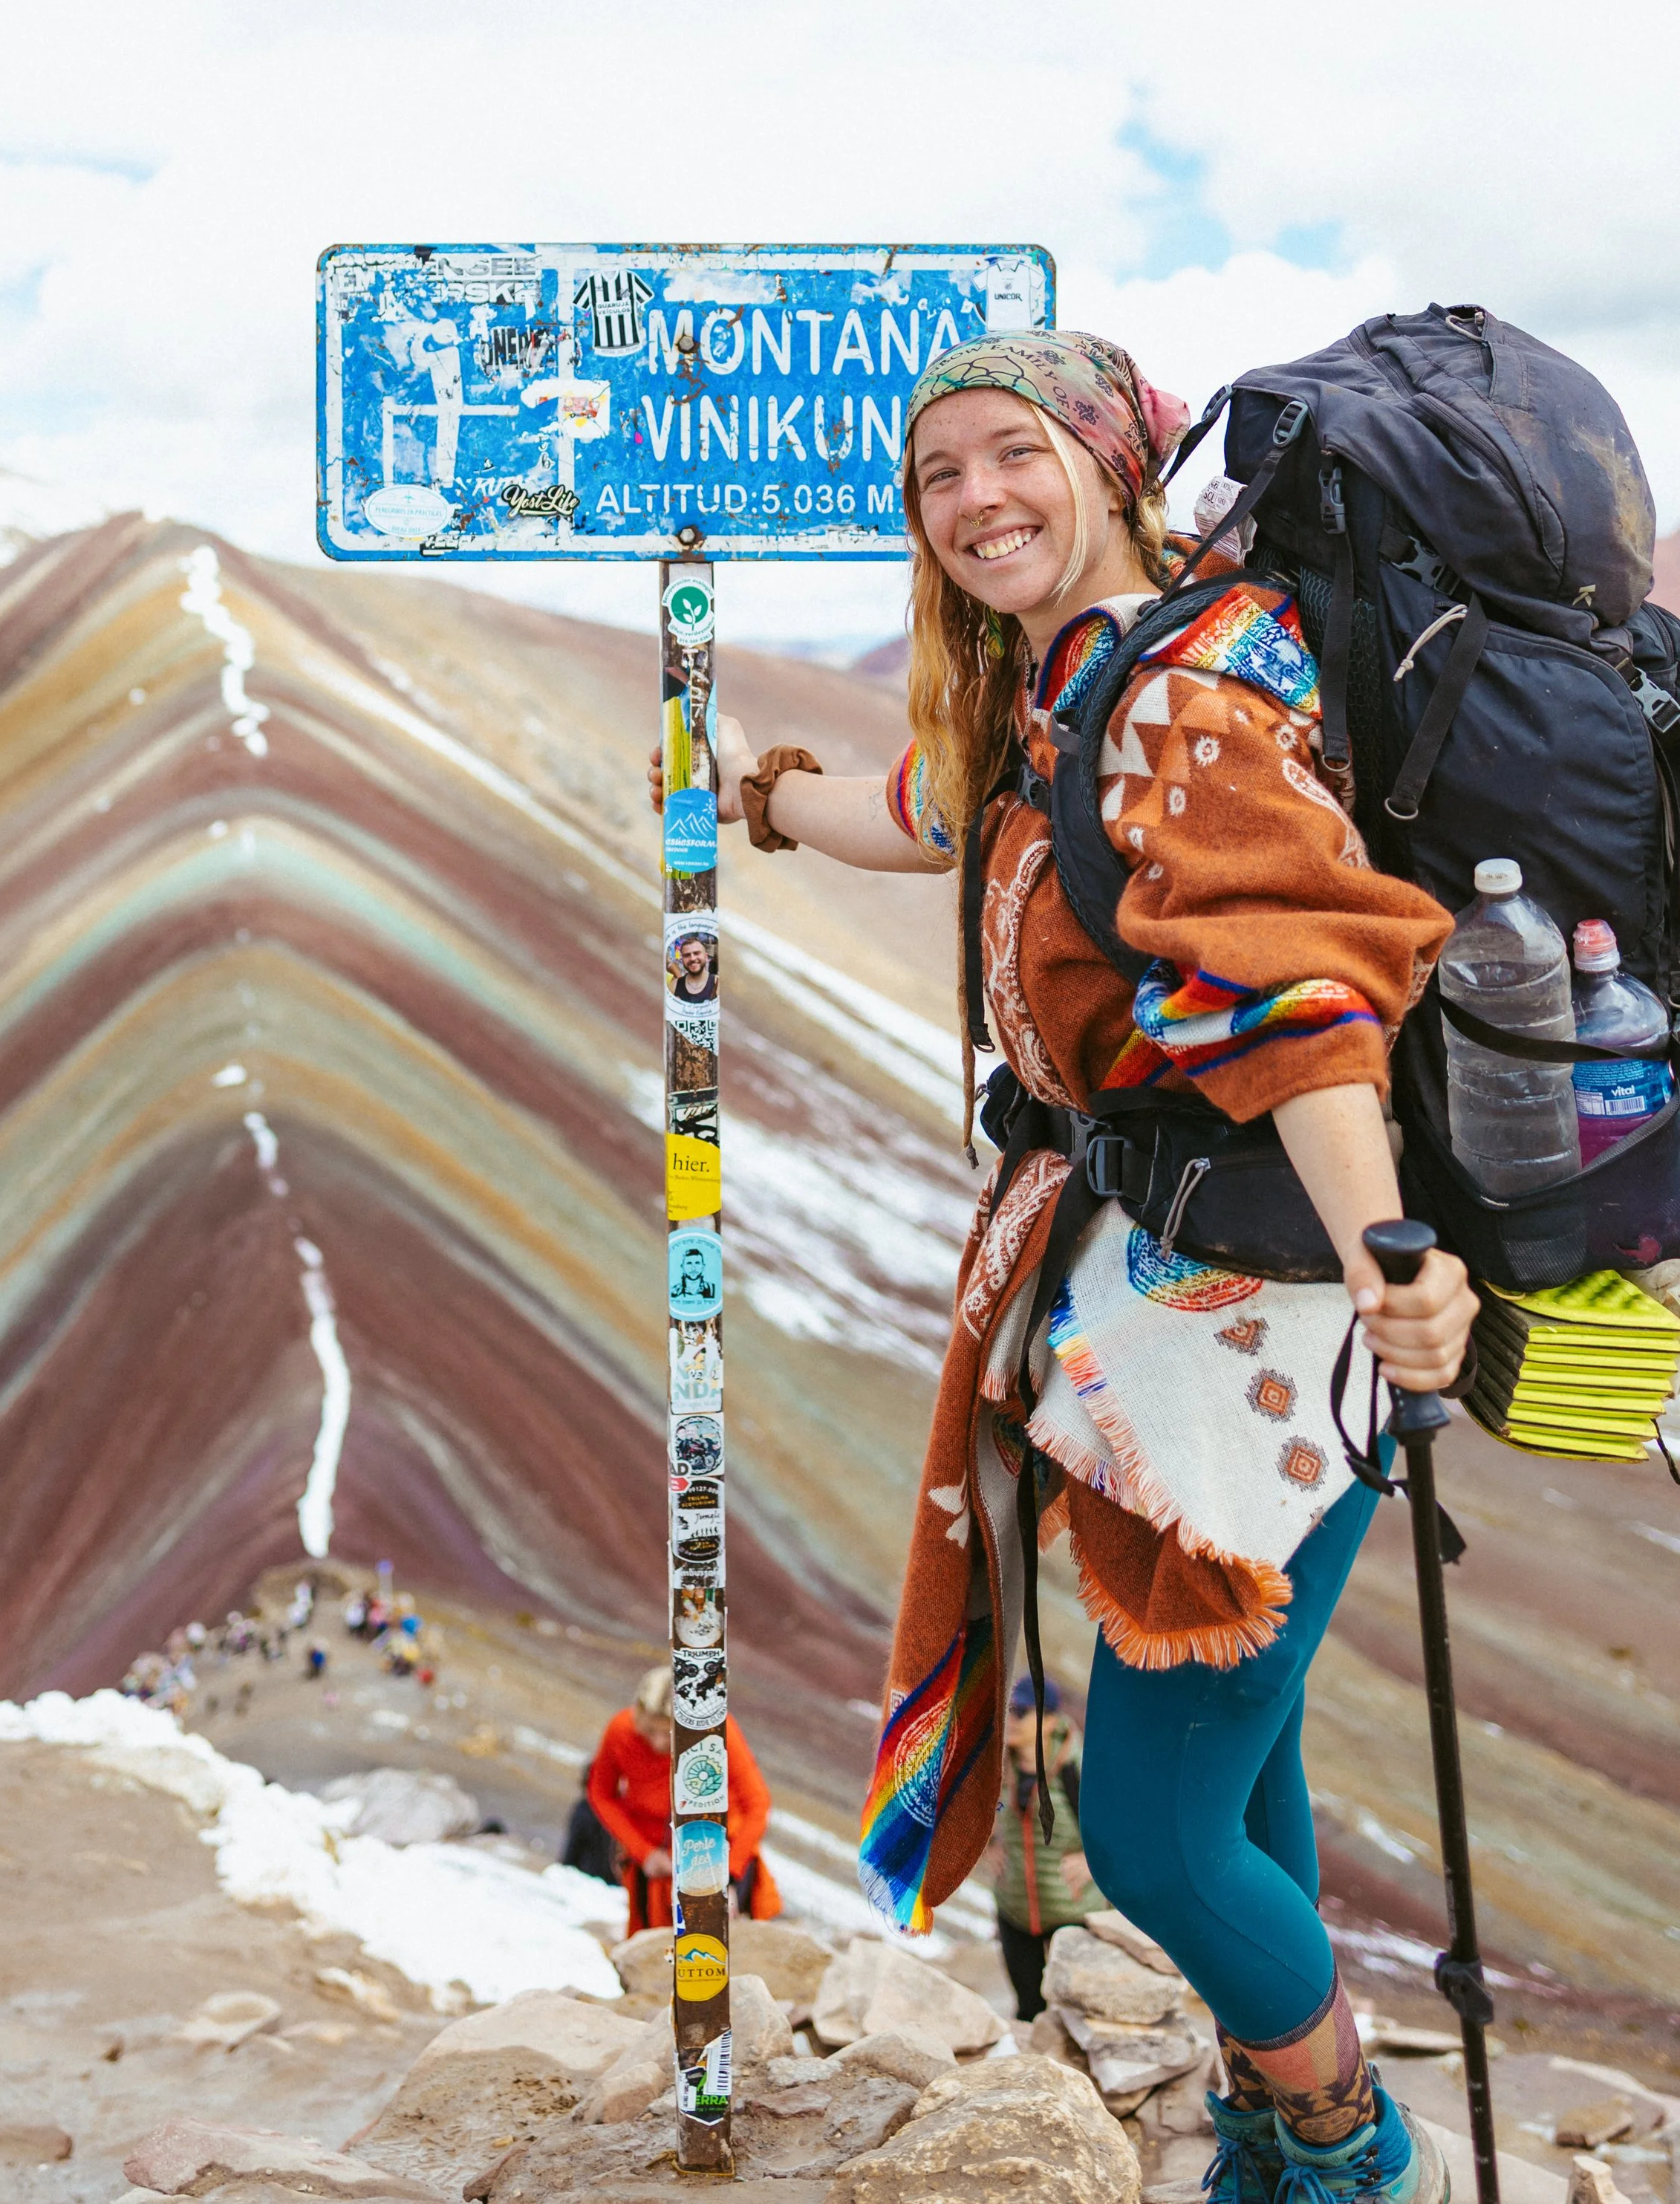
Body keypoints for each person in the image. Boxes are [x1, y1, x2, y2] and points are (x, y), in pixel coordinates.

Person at [648, 331, 1476, 2204]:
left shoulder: (1192, 694)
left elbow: (1298, 988)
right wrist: (753, 801)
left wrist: (1391, 1264)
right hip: (1169, 1301)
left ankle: (1348, 2143)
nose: (974, 499)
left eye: (1012, 454)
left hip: (1265, 1318)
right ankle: (1287, 2117)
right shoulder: (1067, 688)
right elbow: (935, 818)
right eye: (938, 474)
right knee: (1231, 1766)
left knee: (1167, 1837)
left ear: (1111, 461)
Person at [585, 1664, 781, 1935]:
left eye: (667, 1734)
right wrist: (644, 1853)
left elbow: (757, 1805)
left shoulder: (717, 1732)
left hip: (716, 1859)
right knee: (656, 1959)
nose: (657, 1743)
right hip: (653, 1870)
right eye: (649, 1730)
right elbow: (601, 1793)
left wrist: (728, 1877)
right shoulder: (620, 1730)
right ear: (638, 1712)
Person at [989, 1674, 1102, 2021]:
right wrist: (989, 1844)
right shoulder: (996, 1762)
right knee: (1028, 2011)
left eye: (1022, 1712)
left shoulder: (1077, 1767)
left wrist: (1093, 1861)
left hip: (1072, 1912)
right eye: (1008, 1710)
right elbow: (975, 1810)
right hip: (1015, 1911)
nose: (1011, 1719)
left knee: (1077, 2015)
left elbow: (1121, 1828)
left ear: (1050, 1720)